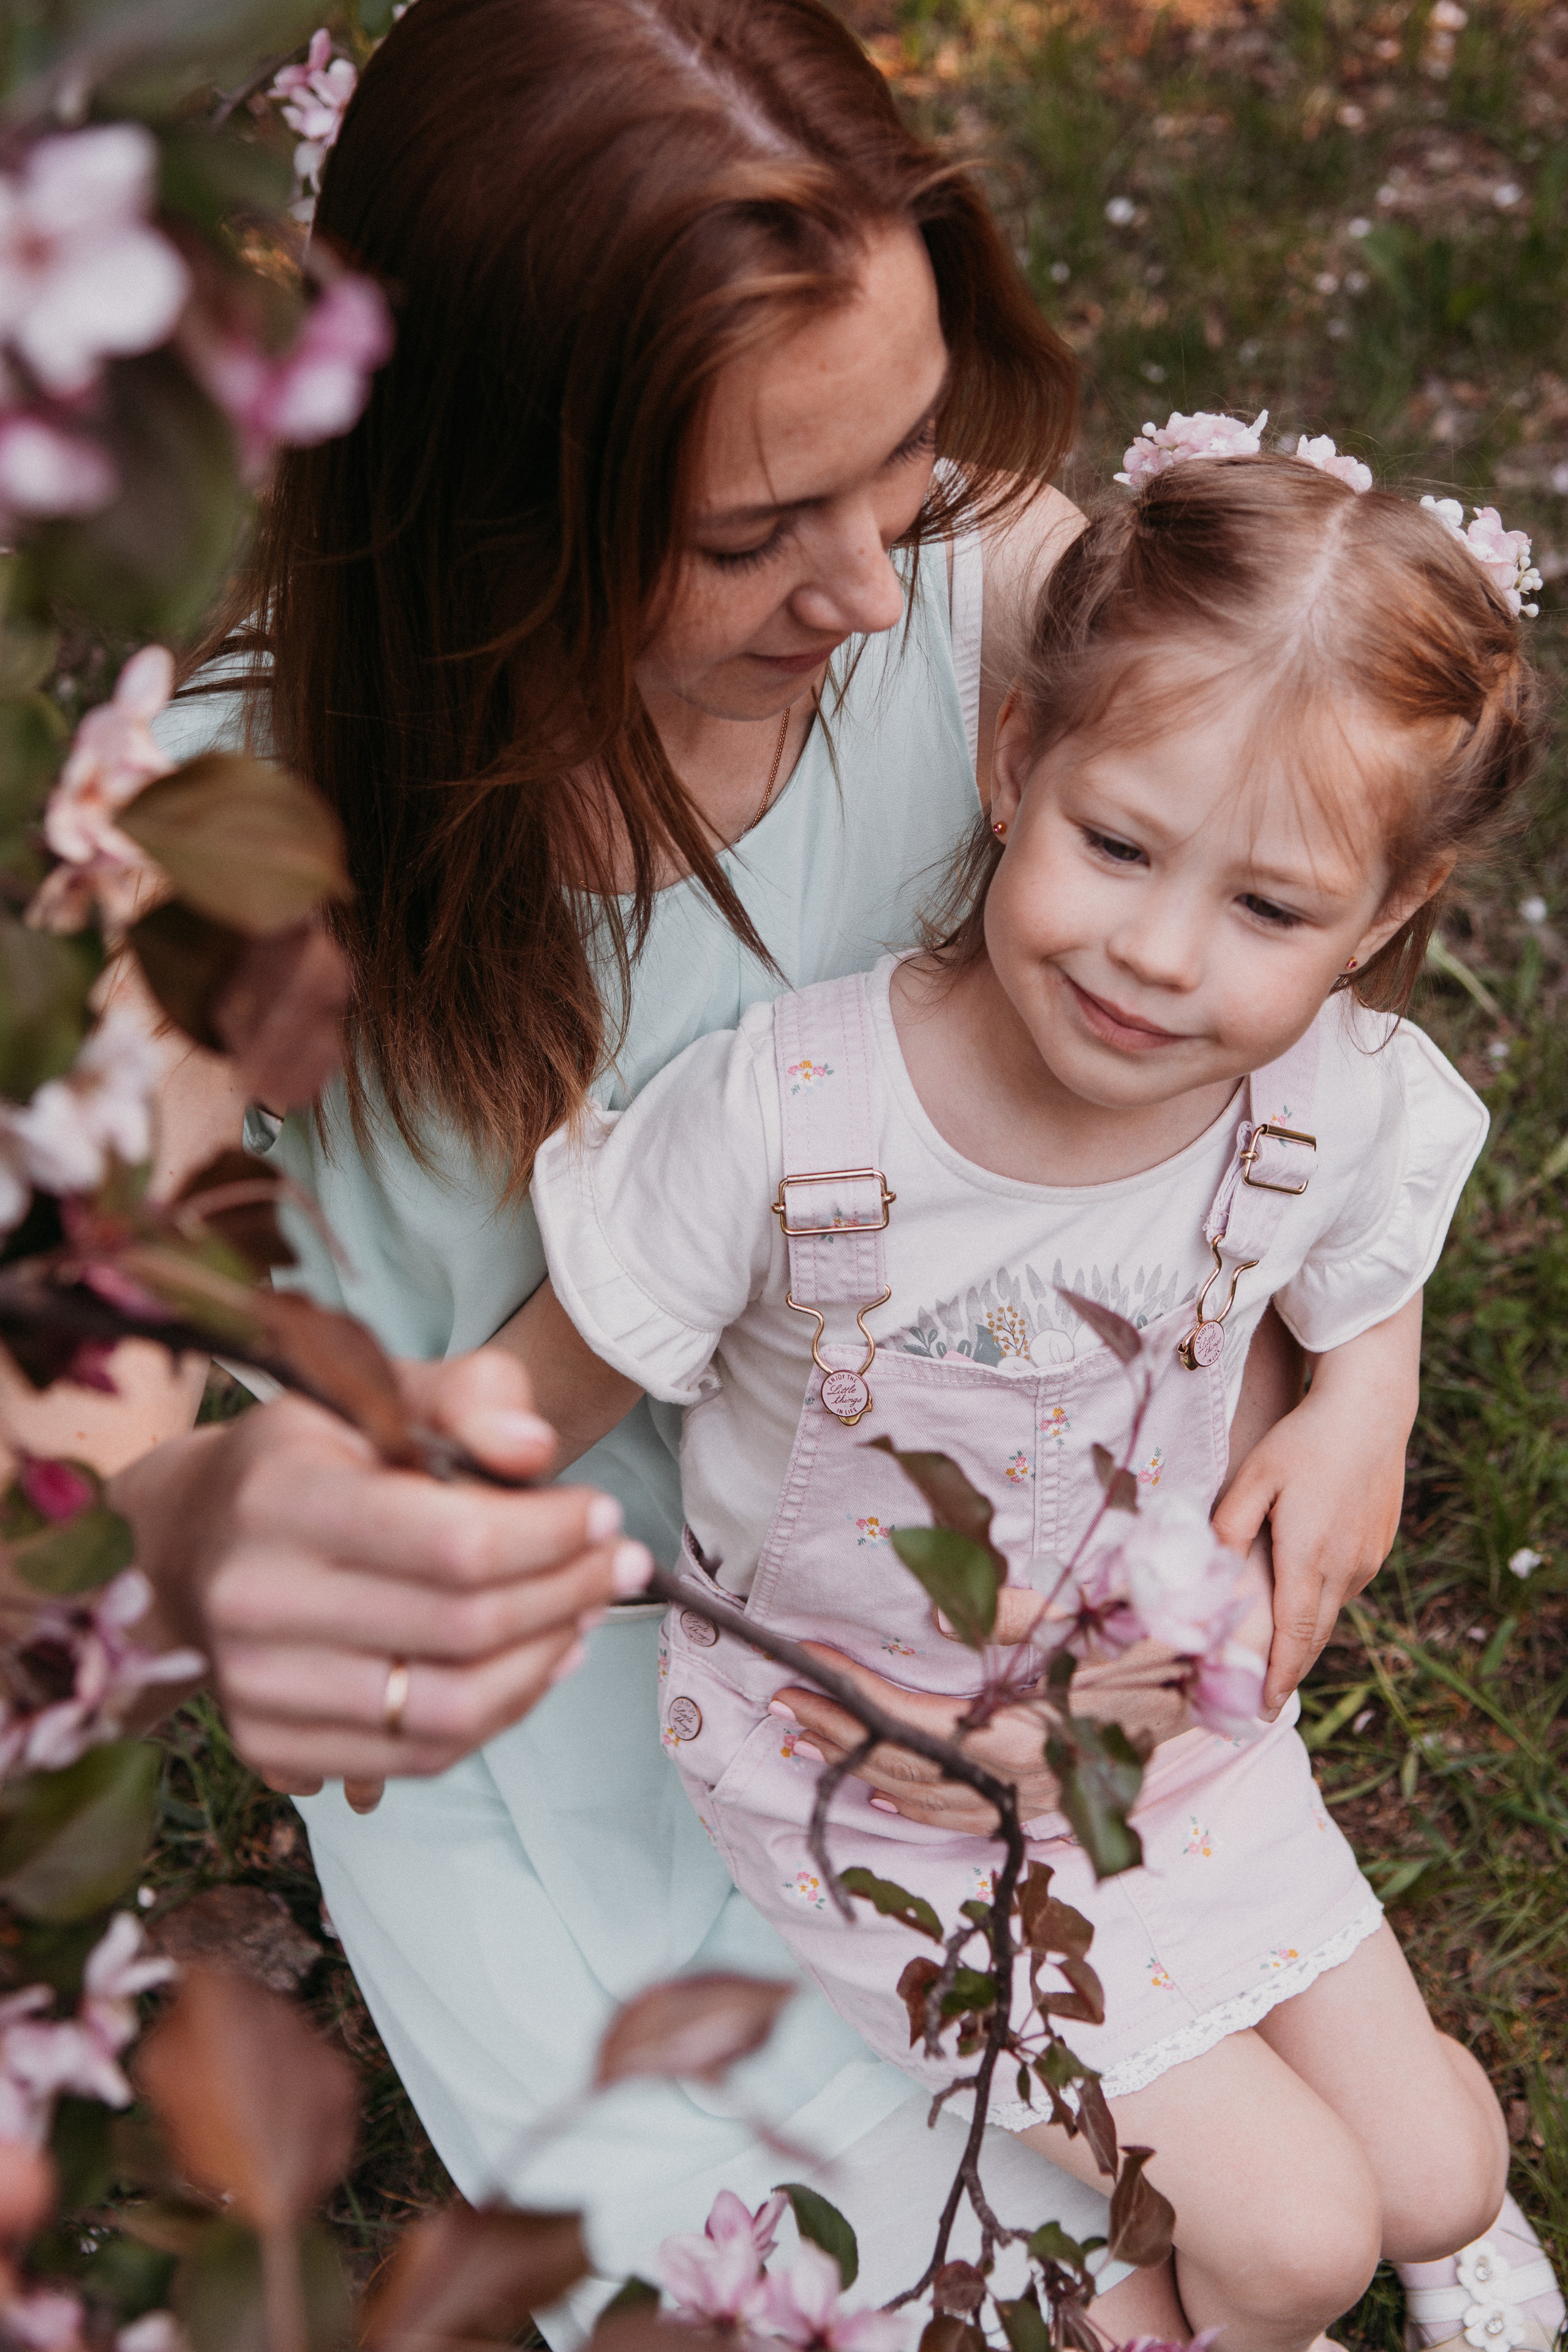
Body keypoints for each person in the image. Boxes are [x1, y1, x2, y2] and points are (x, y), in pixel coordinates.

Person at [0, 2, 1426, 2332]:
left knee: (1262, 2223)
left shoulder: (969, 597)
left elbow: (1280, 950)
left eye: (904, 463)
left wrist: (1352, 1374)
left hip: (943, 1594)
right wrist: (206, 1532)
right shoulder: (225, 846)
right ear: (478, 514)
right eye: (755, 532)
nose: (873, 592)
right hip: (573, 1691)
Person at [515, 428, 1567, 2352]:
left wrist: (1364, 1404)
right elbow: (523, 1407)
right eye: (1119, 845)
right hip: (884, 1783)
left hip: (1175, 1750)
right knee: (1300, 2237)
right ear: (1015, 766)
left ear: (1381, 922)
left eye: (1268, 911)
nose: (1160, 957)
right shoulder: (798, 1126)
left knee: (1444, 2173)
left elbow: (1368, 1258)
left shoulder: (1310, 1092)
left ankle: (1412, 2226)